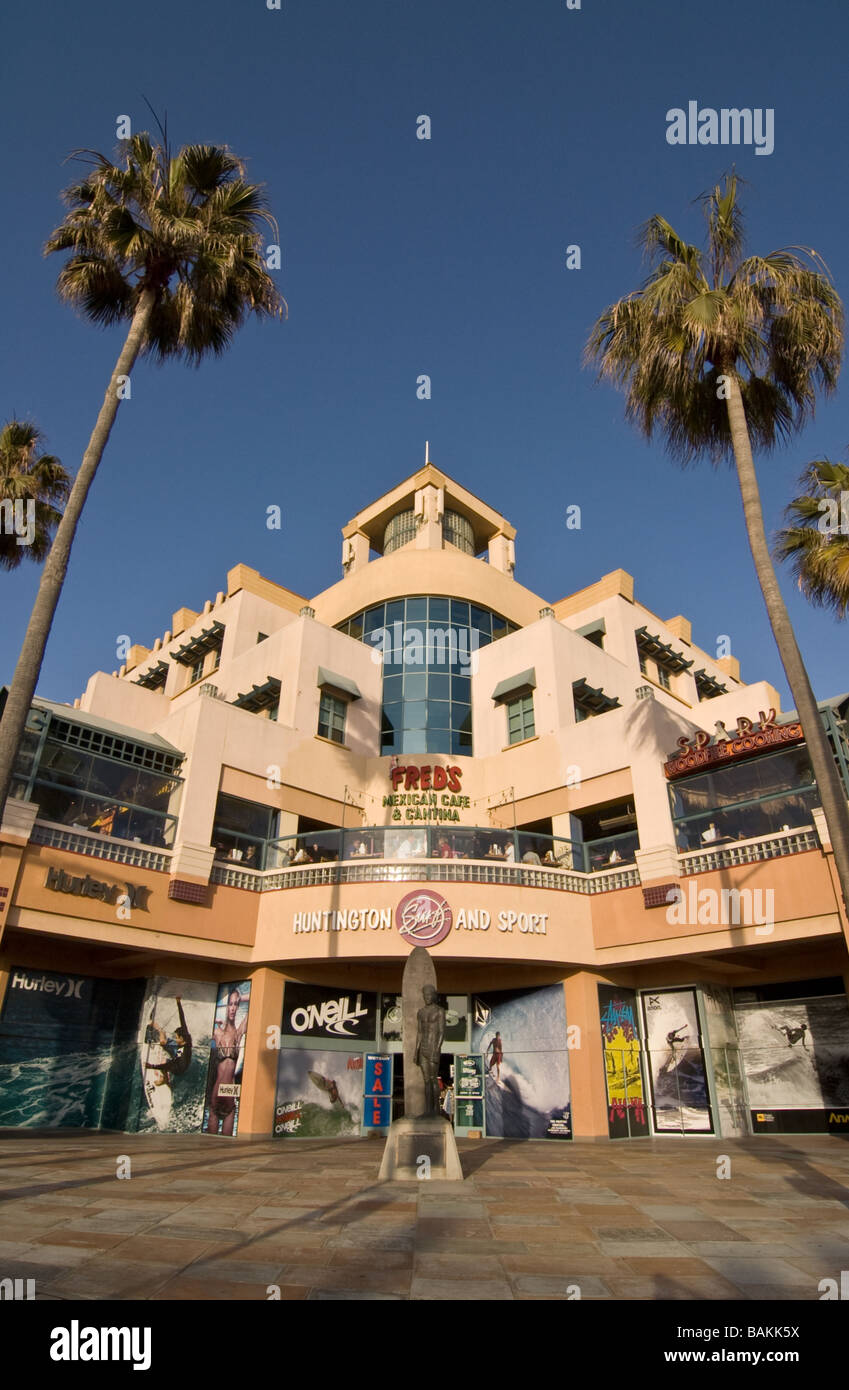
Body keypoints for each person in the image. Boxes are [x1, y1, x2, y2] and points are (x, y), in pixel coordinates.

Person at [205, 987, 248, 1136]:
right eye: (230, 1004)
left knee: (227, 1143)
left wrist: (241, 997)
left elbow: (253, 1009)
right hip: (217, 1091)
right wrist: (214, 1021)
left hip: (230, 1092)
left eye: (236, 1004)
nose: (233, 1008)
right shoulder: (218, 1033)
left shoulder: (239, 1033)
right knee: (210, 1141)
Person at [145, 996, 192, 1086]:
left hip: (179, 1069)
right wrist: (178, 1003)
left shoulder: (181, 1054)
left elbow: (169, 1064)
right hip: (178, 1052)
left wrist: (152, 1066)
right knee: (163, 1040)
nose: (175, 1038)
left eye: (176, 1037)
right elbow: (182, 1019)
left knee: (165, 1062)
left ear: (181, 1039)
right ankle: (157, 1028)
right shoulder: (186, 1036)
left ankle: (165, 1079)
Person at [414, 985, 446, 1115]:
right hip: (423, 1049)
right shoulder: (421, 1012)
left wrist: (436, 1050)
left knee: (433, 1079)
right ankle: (427, 1110)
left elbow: (442, 1032)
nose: (426, 998)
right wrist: (416, 1051)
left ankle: (435, 1110)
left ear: (433, 996)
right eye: (424, 995)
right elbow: (420, 1032)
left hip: (433, 1048)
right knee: (426, 1080)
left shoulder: (439, 1011)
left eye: (428, 995)